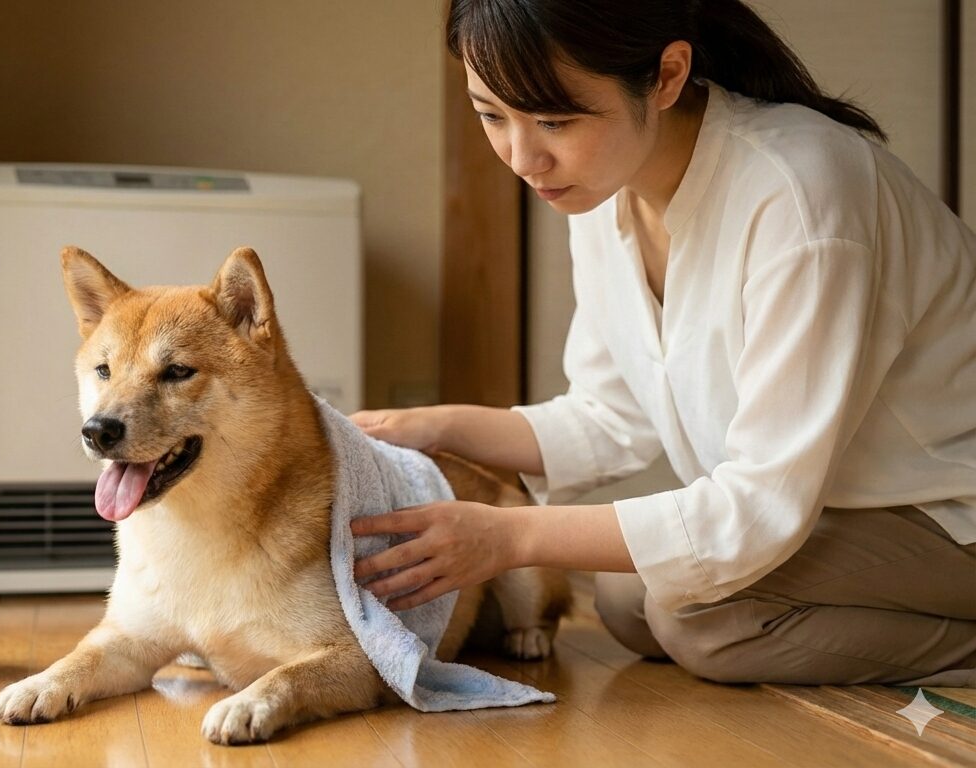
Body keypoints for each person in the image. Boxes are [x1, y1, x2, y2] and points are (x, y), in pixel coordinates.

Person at [350, 0, 976, 686]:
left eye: (554, 121)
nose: (523, 159)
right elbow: (607, 419)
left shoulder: (800, 193)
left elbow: (759, 506)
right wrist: (430, 426)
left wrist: (508, 536)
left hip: (950, 513)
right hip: (845, 510)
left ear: (668, 75)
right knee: (628, 601)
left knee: (698, 619)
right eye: (492, 115)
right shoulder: (601, 187)